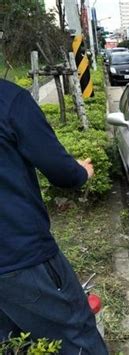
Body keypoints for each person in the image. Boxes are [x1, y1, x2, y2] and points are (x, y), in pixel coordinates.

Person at [0, 79, 108, 354]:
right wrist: (81, 171)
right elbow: (61, 171)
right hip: (20, 256)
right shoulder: (10, 100)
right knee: (76, 334)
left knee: (12, 342)